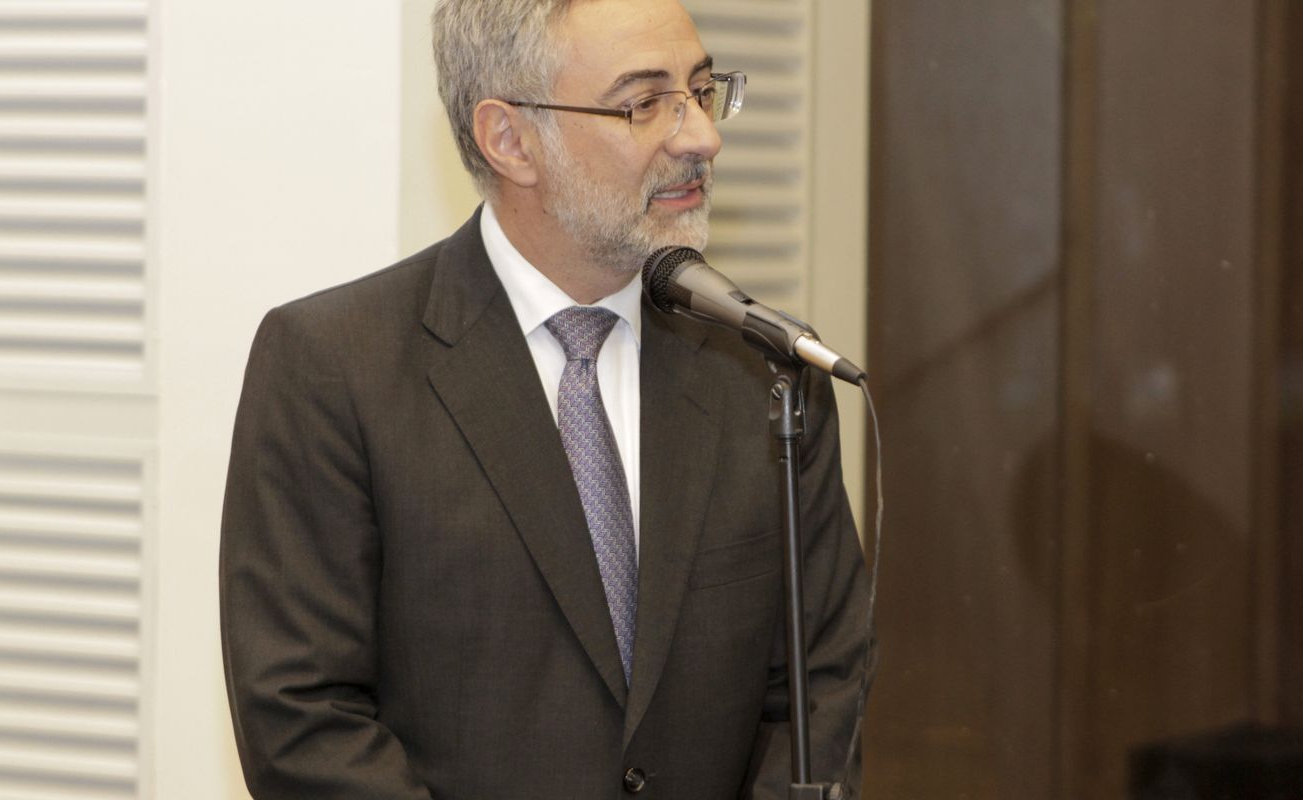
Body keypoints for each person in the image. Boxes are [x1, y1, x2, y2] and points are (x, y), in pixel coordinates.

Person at [218, 0, 872, 796]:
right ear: (510, 139)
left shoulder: (763, 368)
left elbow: (820, 687)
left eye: (701, 91)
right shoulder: (333, 366)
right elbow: (304, 722)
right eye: (644, 102)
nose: (702, 137)